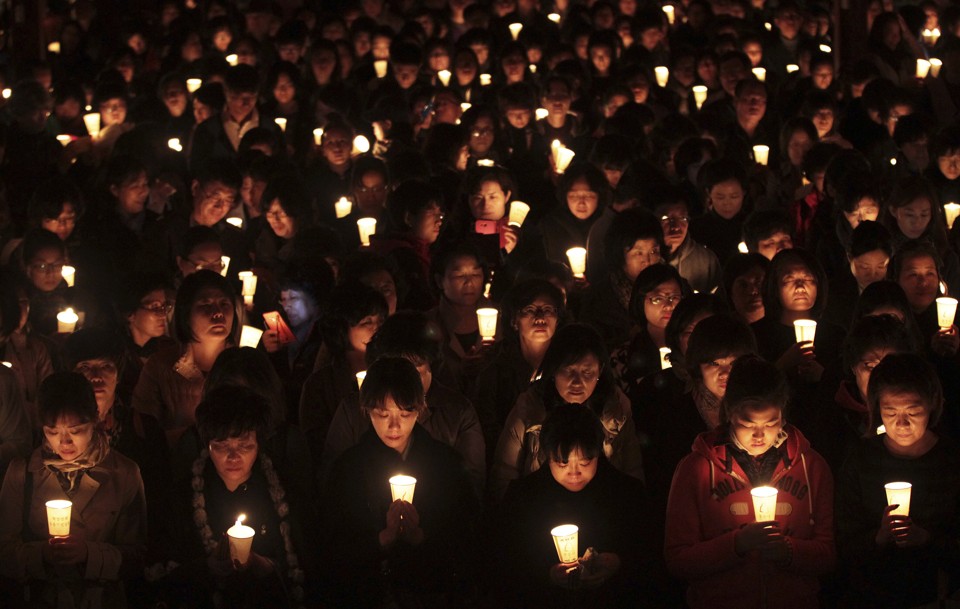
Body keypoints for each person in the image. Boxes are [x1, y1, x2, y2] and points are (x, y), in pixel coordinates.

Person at [664, 355, 836, 609]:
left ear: (783, 413)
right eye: (748, 424)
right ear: (730, 413)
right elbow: (678, 559)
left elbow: (828, 555)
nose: (760, 435)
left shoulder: (811, 467)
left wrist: (788, 551)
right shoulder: (696, 469)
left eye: (771, 423)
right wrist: (737, 544)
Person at [323, 357, 480, 609]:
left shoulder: (445, 465)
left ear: (420, 410)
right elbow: (333, 549)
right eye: (382, 414)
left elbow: (466, 535)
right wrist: (381, 540)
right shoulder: (348, 470)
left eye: (405, 414)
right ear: (366, 410)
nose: (394, 426)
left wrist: (421, 538)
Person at [0, 372, 147, 609]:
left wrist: (89, 554)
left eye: (76, 430)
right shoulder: (23, 472)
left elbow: (137, 557)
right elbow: (3, 549)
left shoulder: (124, 473)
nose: (64, 442)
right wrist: (42, 555)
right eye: (53, 431)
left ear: (95, 419)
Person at [164, 385, 317, 608]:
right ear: (207, 445)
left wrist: (265, 565)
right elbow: (166, 573)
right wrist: (208, 567)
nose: (233, 456)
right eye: (221, 446)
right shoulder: (183, 498)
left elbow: (308, 567)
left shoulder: (284, 493)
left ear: (259, 445)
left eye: (244, 445)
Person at [496, 406, 657, 609]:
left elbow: (650, 556)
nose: (574, 473)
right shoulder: (523, 499)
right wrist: (547, 574)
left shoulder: (627, 495)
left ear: (598, 452)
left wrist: (619, 563)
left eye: (585, 462)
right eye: (563, 463)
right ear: (547, 456)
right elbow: (506, 564)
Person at [835, 353, 960, 608]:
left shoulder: (951, 461)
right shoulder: (862, 459)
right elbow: (843, 541)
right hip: (871, 596)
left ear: (932, 406)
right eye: (890, 411)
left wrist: (927, 539)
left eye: (913, 411)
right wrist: (878, 538)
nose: (901, 423)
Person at [490, 323, 643, 501]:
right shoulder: (529, 410)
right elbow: (504, 474)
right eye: (568, 371)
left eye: (587, 372)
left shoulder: (616, 412)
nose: (577, 382)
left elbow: (633, 473)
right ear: (553, 370)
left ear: (599, 370)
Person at [132, 270, 240, 446]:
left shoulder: (246, 366)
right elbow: (144, 430)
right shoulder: (160, 367)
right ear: (186, 314)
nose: (218, 313)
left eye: (224, 304)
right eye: (205, 305)